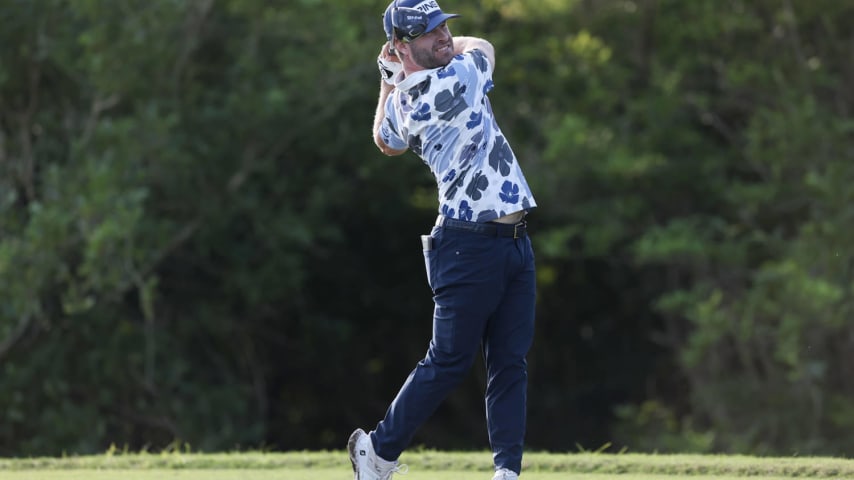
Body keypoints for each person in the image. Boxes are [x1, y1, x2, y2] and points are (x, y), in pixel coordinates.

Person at [348, 1, 537, 479]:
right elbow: (485, 45)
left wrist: (389, 78)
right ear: (401, 45)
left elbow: (384, 141)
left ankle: (507, 472)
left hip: (510, 239)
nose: (445, 37)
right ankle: (378, 452)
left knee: (509, 363)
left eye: (444, 27)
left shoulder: (405, 101)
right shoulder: (461, 78)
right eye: (430, 33)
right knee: (450, 362)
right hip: (468, 245)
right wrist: (416, 64)